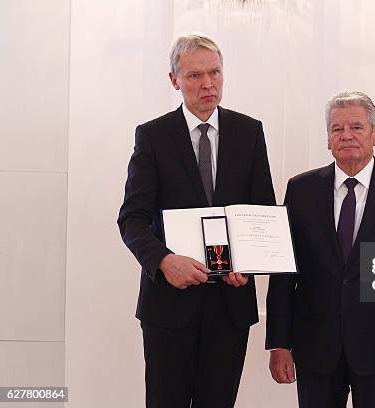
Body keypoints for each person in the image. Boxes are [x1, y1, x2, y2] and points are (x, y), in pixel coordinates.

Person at [117, 33, 275, 408]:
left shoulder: (249, 132)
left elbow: (262, 214)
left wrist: (250, 265)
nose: (207, 84)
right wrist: (163, 261)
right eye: (194, 76)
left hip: (230, 306)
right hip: (169, 305)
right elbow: (132, 218)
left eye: (215, 72)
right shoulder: (153, 136)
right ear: (174, 80)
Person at [265, 91, 375, 408]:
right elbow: (284, 272)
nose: (346, 136)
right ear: (328, 139)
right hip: (316, 346)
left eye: (356, 127)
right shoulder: (301, 190)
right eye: (336, 129)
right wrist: (279, 342)